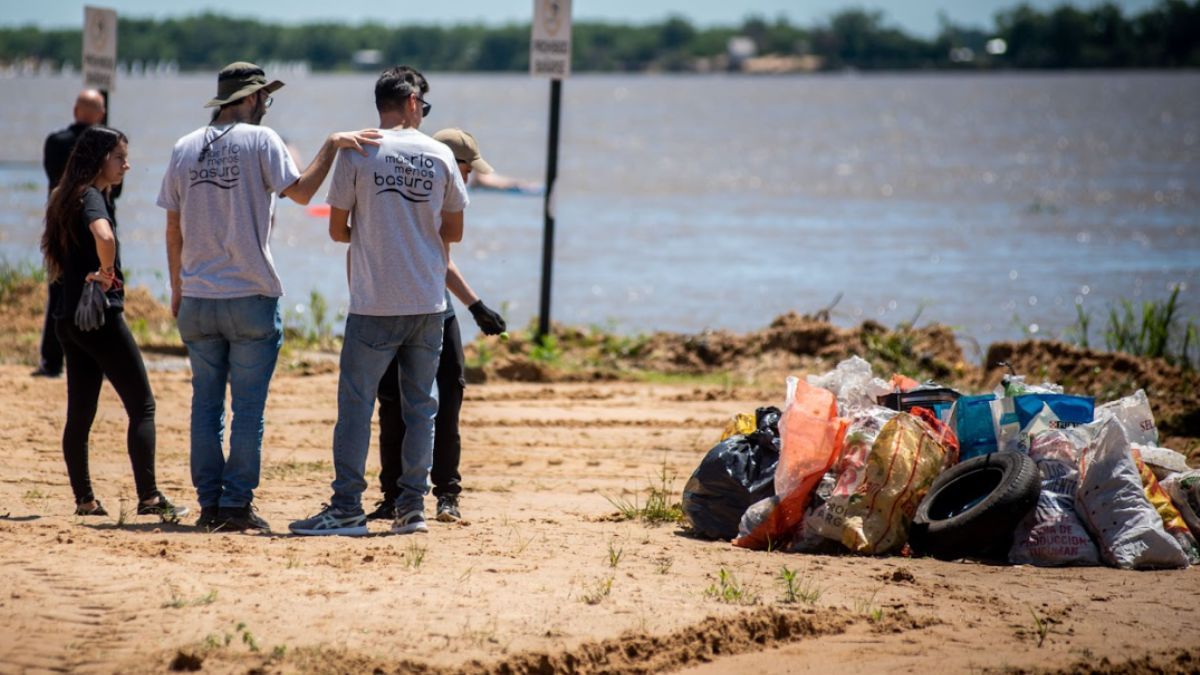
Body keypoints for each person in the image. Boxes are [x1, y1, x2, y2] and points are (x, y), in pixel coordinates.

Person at [157, 61, 380, 532]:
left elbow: (173, 226)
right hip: (251, 294)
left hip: (197, 296)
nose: (266, 107)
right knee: (247, 412)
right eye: (264, 99)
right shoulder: (262, 140)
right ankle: (235, 507)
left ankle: (208, 506)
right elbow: (300, 193)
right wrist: (332, 144)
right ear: (252, 99)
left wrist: (177, 288)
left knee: (205, 407)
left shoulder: (183, 147)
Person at [289, 65, 468, 537]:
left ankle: (347, 506)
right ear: (412, 101)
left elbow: (335, 230)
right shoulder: (441, 155)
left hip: (373, 302)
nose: (424, 113)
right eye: (423, 105)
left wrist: (373, 233)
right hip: (428, 303)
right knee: (420, 408)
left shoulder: (358, 150)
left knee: (356, 407)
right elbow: (453, 232)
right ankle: (412, 508)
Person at [40, 125, 187, 520]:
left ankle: (85, 501)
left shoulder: (63, 196)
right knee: (142, 405)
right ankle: (150, 498)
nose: (127, 164)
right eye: (119, 157)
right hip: (100, 318)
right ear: (99, 158)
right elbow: (103, 234)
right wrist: (107, 270)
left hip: (68, 319)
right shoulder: (90, 196)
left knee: (80, 414)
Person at [366, 128, 506, 524]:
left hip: (439, 314)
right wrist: (476, 306)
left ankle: (448, 495)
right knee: (393, 407)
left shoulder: (443, 194)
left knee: (448, 405)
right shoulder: (418, 193)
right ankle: (393, 495)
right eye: (467, 169)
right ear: (450, 162)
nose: (469, 177)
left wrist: (475, 306)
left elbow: (441, 259)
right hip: (395, 312)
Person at [34, 89, 113, 378]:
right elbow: (115, 189)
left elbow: (53, 178)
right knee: (103, 290)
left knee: (58, 293)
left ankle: (52, 361)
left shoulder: (55, 143)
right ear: (99, 113)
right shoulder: (106, 147)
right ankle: (104, 360)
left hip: (62, 227)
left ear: (75, 110)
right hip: (97, 224)